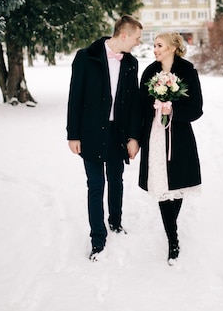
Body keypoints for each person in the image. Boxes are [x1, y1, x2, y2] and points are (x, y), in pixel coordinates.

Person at [66, 15, 143, 261]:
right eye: (137, 38)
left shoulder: (131, 63)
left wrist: (134, 137)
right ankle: (97, 238)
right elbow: (75, 97)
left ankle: (116, 222)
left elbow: (133, 105)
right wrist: (73, 134)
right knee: (96, 184)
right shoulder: (85, 57)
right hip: (90, 133)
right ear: (124, 35)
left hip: (117, 133)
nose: (138, 43)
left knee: (116, 180)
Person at [138, 32, 203, 265]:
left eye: (159, 45)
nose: (154, 49)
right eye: (154, 45)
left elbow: (196, 108)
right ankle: (172, 239)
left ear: (173, 48)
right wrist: (135, 138)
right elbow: (140, 108)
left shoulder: (187, 72)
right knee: (161, 186)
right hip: (154, 136)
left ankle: (171, 229)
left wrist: (172, 110)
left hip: (179, 136)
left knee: (176, 184)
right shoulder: (148, 73)